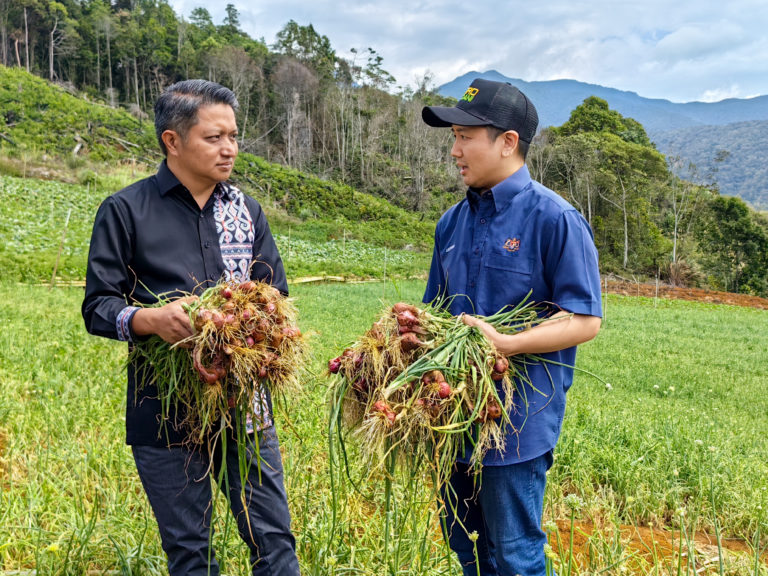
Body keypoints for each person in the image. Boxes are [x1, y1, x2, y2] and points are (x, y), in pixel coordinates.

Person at [82, 80, 300, 576]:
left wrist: (256, 325)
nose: (229, 149)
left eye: (234, 136)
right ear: (172, 141)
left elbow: (276, 297)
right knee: (191, 554)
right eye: (214, 137)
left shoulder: (245, 212)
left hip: (245, 408)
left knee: (275, 544)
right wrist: (149, 319)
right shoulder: (126, 210)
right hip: (165, 413)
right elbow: (98, 306)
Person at [421, 78, 602, 575]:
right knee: (465, 546)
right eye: (453, 137)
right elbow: (436, 313)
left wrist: (510, 343)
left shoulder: (555, 218)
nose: (455, 150)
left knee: (515, 555)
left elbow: (585, 319)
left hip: (516, 426)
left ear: (507, 142)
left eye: (465, 136)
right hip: (451, 418)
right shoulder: (450, 224)